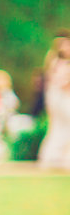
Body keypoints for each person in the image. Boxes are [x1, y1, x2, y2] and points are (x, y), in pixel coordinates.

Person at [38, 36, 70, 170]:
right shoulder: (56, 62)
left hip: (61, 97)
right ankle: (54, 157)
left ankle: (61, 157)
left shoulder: (60, 63)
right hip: (60, 99)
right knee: (59, 127)